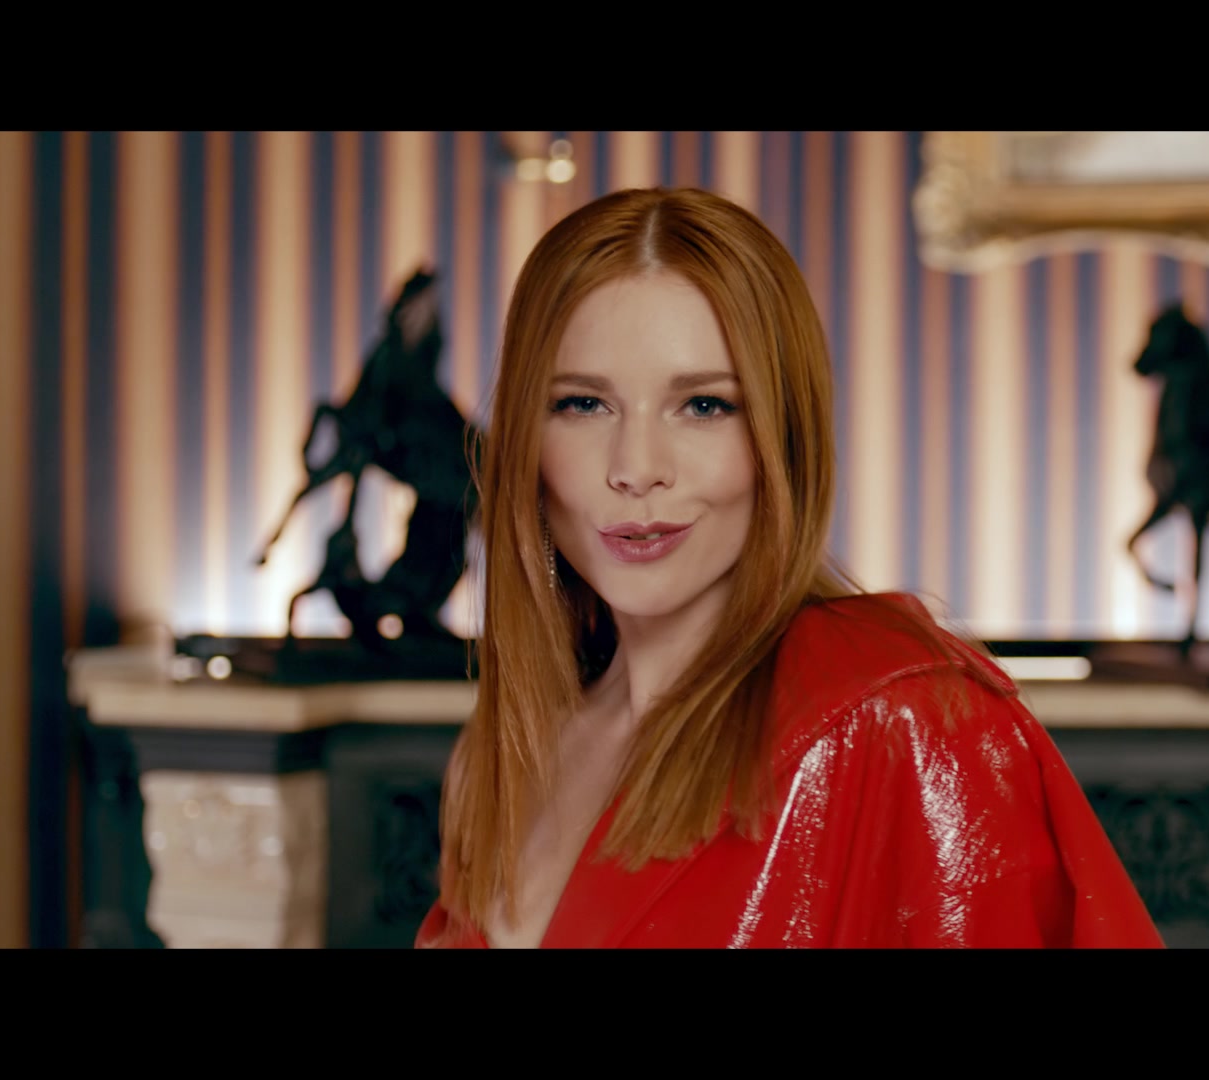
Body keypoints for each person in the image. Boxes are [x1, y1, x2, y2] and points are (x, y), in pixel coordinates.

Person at [414, 187, 1164, 948]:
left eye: (704, 406)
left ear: (784, 435)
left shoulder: (905, 722)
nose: (636, 468)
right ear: (524, 441)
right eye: (582, 404)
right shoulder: (498, 760)